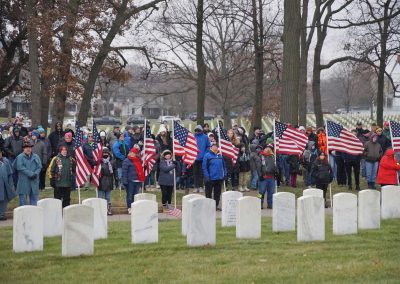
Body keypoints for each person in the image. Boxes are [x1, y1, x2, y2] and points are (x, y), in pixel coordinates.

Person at [14, 141, 42, 206]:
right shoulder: (20, 157)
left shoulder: (36, 156)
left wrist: (35, 174)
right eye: (26, 147)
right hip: (23, 181)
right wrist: (31, 174)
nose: (28, 149)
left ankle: (34, 214)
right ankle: (22, 215)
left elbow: (39, 167)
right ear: (23, 149)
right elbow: (20, 167)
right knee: (23, 202)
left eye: (29, 147)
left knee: (34, 201)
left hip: (34, 181)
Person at [202, 142, 227, 210]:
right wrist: (207, 176)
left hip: (219, 178)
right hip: (210, 178)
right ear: (211, 147)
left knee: (217, 193)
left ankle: (215, 206)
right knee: (208, 193)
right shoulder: (207, 155)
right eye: (214, 146)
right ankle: (208, 206)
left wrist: (225, 174)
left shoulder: (220, 156)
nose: (215, 147)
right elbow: (204, 167)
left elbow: (224, 166)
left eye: (216, 146)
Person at [122, 147, 145, 214]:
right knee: (129, 195)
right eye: (131, 152)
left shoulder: (138, 160)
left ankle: (135, 207)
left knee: (136, 195)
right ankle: (129, 207)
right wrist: (124, 181)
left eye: (134, 153)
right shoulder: (126, 161)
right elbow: (124, 172)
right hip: (130, 181)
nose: (132, 154)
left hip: (138, 180)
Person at [256, 144, 276, 209]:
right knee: (261, 192)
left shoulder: (272, 157)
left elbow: (274, 166)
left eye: (270, 148)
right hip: (263, 178)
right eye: (267, 148)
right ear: (264, 149)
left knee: (271, 192)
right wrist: (260, 175)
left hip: (271, 178)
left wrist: (277, 172)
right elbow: (258, 167)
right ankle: (259, 203)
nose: (268, 149)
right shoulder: (260, 157)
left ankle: (270, 204)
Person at [98, 148, 116, 215]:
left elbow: (114, 171)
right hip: (101, 181)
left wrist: (116, 180)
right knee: (101, 197)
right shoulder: (99, 161)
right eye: (104, 153)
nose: (105, 154)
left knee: (108, 197)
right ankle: (101, 210)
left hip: (109, 181)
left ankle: (108, 209)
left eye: (106, 153)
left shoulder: (112, 161)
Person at [193, 125, 210, 193]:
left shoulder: (205, 137)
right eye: (196, 130)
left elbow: (208, 146)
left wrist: (205, 154)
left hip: (202, 158)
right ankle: (196, 186)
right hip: (194, 158)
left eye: (198, 130)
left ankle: (201, 186)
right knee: (195, 173)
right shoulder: (193, 137)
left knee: (201, 173)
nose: (197, 132)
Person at [0, 150, 16, 220]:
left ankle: (2, 214)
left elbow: (10, 174)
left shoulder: (6, 161)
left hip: (5, 184)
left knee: (4, 199)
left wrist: (11, 184)